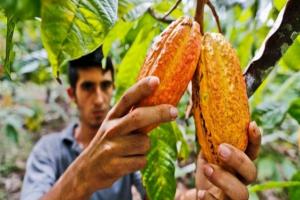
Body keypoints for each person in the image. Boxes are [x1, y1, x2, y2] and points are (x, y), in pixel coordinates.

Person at [21, 46, 261, 200]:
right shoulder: (49, 150)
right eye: (87, 87)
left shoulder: (129, 147)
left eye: (105, 86)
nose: (99, 98)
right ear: (72, 94)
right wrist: (82, 175)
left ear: (114, 87)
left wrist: (202, 194)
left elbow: (162, 196)